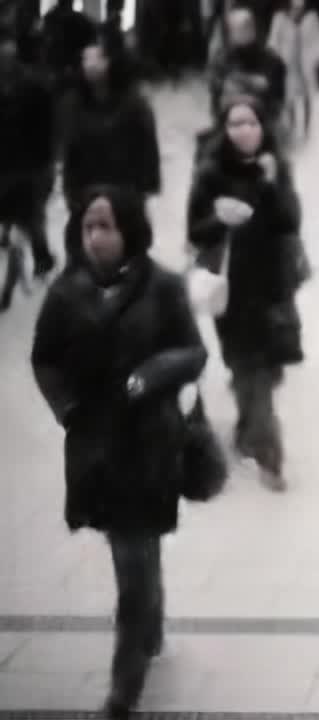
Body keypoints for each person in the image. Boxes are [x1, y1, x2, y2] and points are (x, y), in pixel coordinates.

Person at [31, 185, 208, 718]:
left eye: (105, 226)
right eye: (88, 227)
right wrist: (65, 409)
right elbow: (44, 359)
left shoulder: (164, 287)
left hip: (150, 442)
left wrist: (153, 374)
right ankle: (150, 618)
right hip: (95, 446)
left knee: (134, 558)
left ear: (129, 230)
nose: (96, 238)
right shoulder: (66, 293)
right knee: (132, 551)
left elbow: (193, 352)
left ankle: (124, 683)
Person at [187, 98, 306, 492]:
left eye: (250, 122)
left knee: (267, 371)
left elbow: (290, 221)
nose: (243, 130)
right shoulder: (210, 173)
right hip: (230, 291)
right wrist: (217, 219)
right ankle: (270, 456)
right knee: (245, 367)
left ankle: (250, 430)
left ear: (262, 127)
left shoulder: (275, 167)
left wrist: (272, 185)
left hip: (273, 286)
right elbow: (195, 232)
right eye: (235, 123)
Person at [58, 33, 162, 213]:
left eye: (98, 58)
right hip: (86, 192)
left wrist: (143, 189)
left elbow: (147, 148)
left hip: (124, 191)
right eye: (85, 58)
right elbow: (70, 150)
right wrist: (70, 192)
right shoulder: (73, 104)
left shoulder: (134, 104)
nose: (90, 64)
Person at [0, 27, 57, 277]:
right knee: (28, 213)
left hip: (30, 164)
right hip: (11, 162)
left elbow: (48, 127)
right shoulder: (31, 85)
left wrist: (46, 162)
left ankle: (41, 257)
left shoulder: (35, 87)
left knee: (32, 214)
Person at [208, 7, 289, 129]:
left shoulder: (271, 60)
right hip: (229, 120)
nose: (243, 32)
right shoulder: (221, 60)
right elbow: (215, 93)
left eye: (246, 27)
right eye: (239, 29)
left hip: (262, 121)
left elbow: (277, 97)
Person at [267, 0, 319, 141]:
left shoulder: (312, 18)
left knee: (307, 97)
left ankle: (306, 129)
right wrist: (277, 57)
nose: (298, 10)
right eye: (295, 7)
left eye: (301, 7)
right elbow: (273, 41)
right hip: (288, 65)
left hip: (306, 65)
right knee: (290, 98)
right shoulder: (280, 19)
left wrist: (318, 56)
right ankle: (293, 127)